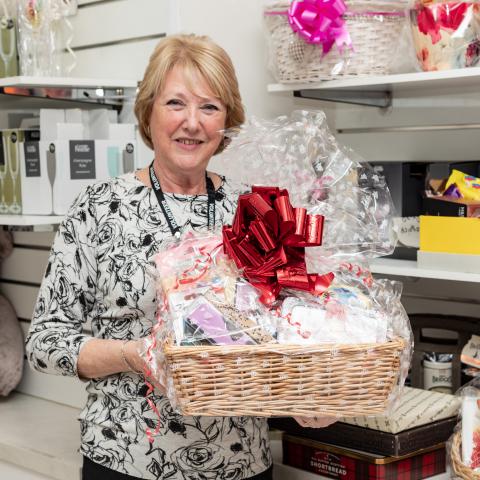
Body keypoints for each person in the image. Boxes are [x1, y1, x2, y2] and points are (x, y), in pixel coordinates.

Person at [26, 34, 334, 480]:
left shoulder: (256, 210)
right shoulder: (97, 207)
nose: (192, 122)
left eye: (210, 107)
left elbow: (289, 332)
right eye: (175, 103)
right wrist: (135, 354)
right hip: (125, 461)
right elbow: (45, 342)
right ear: (148, 110)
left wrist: (307, 397)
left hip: (241, 464)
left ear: (227, 121)